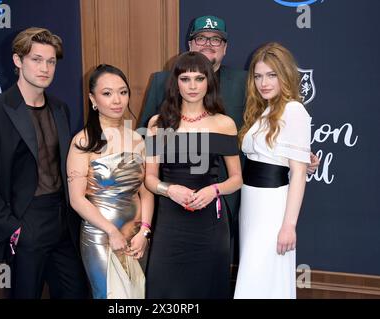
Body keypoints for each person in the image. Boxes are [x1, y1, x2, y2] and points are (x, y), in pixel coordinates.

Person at [0, 27, 89, 299]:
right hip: (26, 222)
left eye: (51, 61)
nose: (45, 68)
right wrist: (13, 228)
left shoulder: (60, 108)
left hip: (64, 221)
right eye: (36, 59)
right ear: (17, 61)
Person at [144, 51, 243, 298]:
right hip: (170, 221)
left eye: (199, 78)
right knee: (165, 289)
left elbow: (236, 179)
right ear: (175, 83)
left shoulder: (224, 124)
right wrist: (169, 189)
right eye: (185, 78)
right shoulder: (158, 124)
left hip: (209, 222)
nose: (192, 86)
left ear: (209, 82)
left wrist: (214, 190)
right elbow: (150, 179)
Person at [66, 64, 154, 299]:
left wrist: (144, 232)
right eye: (107, 93)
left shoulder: (138, 139)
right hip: (100, 236)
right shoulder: (83, 141)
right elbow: (76, 199)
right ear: (93, 99)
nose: (117, 100)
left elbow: (145, 192)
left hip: (136, 237)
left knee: (136, 296)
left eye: (123, 92)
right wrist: (111, 231)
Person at [234, 42, 311, 299]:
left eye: (271, 75)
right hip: (251, 203)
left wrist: (289, 225)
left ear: (285, 75)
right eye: (258, 76)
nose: (263, 82)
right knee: (254, 274)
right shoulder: (263, 110)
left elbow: (298, 173)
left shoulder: (294, 110)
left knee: (265, 274)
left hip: (273, 206)